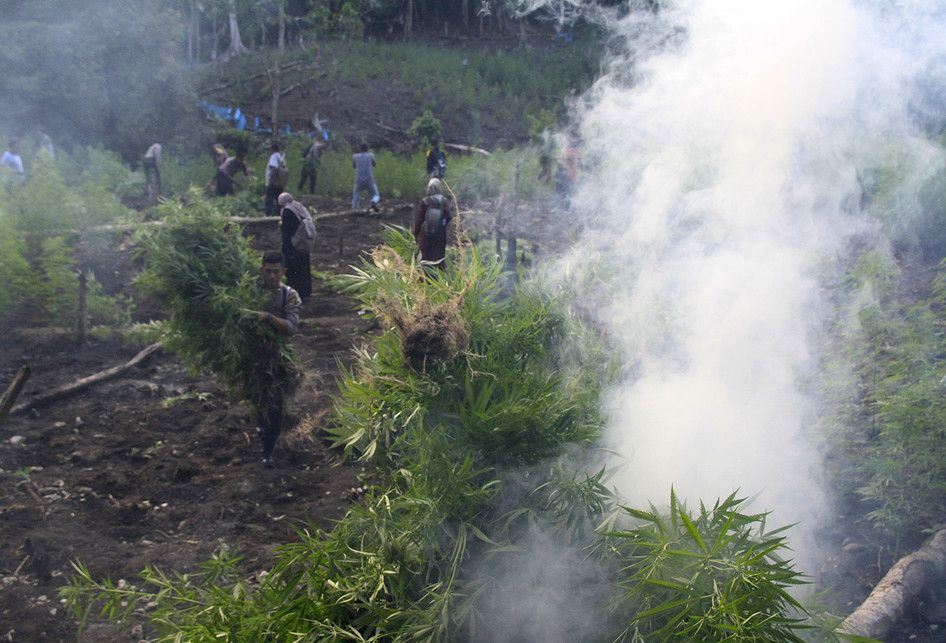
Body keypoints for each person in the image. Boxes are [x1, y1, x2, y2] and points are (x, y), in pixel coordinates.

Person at [250, 251, 302, 467]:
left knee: (275, 404)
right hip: (252, 356)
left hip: (278, 357)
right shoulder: (250, 291)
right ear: (261, 270)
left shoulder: (290, 295)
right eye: (268, 271)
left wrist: (268, 318)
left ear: (283, 272)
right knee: (258, 400)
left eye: (276, 272)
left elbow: (291, 327)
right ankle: (263, 431)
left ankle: (268, 452)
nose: (272, 276)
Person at [277, 192, 313, 299]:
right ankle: (306, 291)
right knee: (304, 268)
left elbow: (287, 229)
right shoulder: (298, 206)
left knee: (293, 269)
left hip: (292, 245)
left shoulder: (288, 211)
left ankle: (295, 292)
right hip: (303, 243)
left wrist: (281, 225)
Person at [412, 178, 453, 271]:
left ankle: (425, 274)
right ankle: (440, 273)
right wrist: (442, 225)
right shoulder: (444, 201)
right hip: (440, 234)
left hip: (426, 234)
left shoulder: (425, 201)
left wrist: (415, 233)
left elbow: (420, 219)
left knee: (426, 255)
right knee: (439, 254)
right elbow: (449, 217)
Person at [352, 142, 380, 212]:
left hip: (359, 179)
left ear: (360, 148)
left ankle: (355, 208)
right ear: (367, 149)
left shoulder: (355, 156)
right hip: (369, 179)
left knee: (356, 193)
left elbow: (354, 166)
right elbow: (374, 164)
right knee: (376, 194)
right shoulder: (371, 155)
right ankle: (373, 201)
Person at [264, 143, 288, 215]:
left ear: (272, 149)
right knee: (279, 198)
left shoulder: (274, 156)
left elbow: (273, 168)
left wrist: (271, 181)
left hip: (274, 181)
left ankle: (268, 214)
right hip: (280, 182)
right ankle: (278, 213)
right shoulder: (281, 157)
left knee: (269, 199)